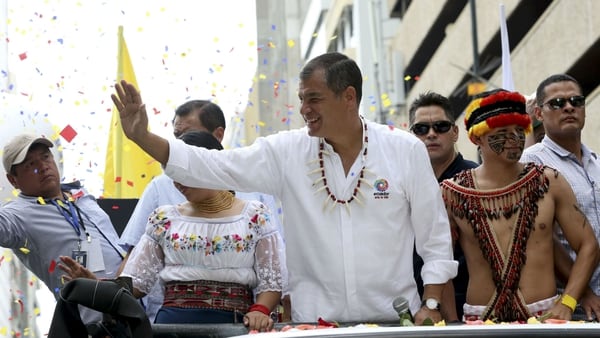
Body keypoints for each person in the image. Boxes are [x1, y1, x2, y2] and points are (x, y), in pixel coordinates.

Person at [111, 52, 458, 325]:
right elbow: (214, 166)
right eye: (301, 99)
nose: (304, 110)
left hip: (393, 322)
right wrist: (143, 137)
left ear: (348, 97)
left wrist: (430, 303)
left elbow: (435, 237)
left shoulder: (403, 149)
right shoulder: (286, 151)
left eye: (313, 99)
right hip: (314, 325)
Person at [118, 99, 286, 322]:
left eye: (185, 172)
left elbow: (272, 281)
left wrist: (260, 310)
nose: (177, 182)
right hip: (172, 327)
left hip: (234, 326)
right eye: (174, 175)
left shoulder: (255, 216)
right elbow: (136, 281)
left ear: (211, 166)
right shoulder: (164, 219)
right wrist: (96, 287)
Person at [440, 89, 599, 322]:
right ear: (478, 137)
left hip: (546, 317)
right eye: (502, 132)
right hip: (480, 320)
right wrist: (452, 325)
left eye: (518, 131)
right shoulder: (452, 192)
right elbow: (440, 264)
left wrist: (569, 301)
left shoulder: (549, 181)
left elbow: (588, 245)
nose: (514, 140)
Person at [0, 133, 124, 323]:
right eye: (30, 165)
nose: (42, 167)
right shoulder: (17, 215)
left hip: (140, 309)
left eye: (45, 157)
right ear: (13, 181)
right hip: (97, 325)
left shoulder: (80, 195)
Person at [521, 74, 600, 320]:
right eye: (556, 103)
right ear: (539, 114)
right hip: (570, 305)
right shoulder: (531, 163)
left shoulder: (596, 161)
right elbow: (542, 239)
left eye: (576, 101)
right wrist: (580, 292)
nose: (568, 107)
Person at [408, 91, 478, 321]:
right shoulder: (402, 182)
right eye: (421, 129)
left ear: (455, 132)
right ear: (412, 136)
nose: (431, 134)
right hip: (413, 302)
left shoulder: (477, 180)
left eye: (440, 126)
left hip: (468, 305)